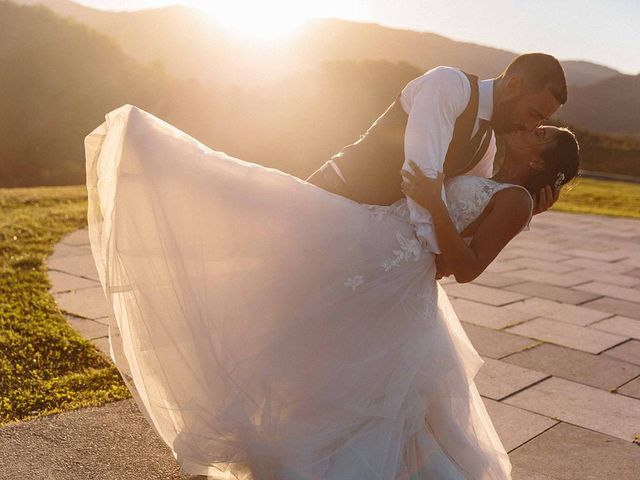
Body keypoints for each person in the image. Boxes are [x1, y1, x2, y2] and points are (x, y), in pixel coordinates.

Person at [85, 104, 579, 480]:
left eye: (541, 133)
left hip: (394, 272)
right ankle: (162, 159)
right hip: (377, 250)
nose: (529, 129)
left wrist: (433, 201)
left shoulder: (513, 198)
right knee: (278, 215)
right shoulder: (497, 182)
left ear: (540, 158)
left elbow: (464, 268)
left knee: (373, 383)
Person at [306, 53, 568, 257]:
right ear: (513, 85)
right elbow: (420, 177)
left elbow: (465, 215)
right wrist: (427, 258)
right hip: (331, 202)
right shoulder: (449, 85)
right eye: (534, 114)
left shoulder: (486, 145)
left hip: (370, 236)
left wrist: (523, 213)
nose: (531, 127)